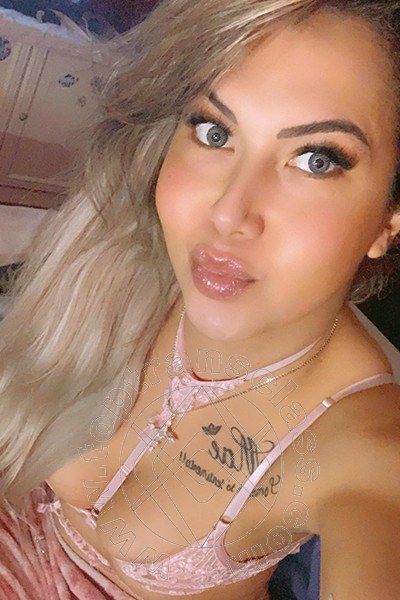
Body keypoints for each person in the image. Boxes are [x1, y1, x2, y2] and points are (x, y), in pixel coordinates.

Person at [0, 1, 400, 599]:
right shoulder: (125, 258)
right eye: (216, 132)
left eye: (316, 160)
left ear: (388, 220)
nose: (228, 213)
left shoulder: (367, 450)